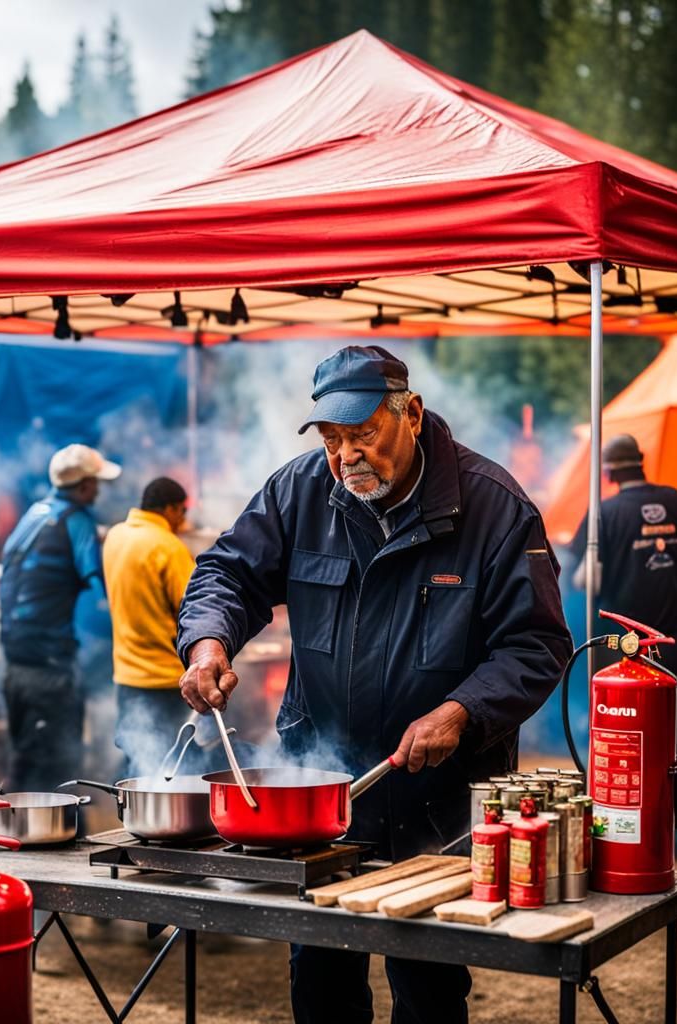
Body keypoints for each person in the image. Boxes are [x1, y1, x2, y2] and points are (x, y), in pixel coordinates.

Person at [177, 346, 571, 1024]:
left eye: (362, 434)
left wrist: (462, 710)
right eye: (332, 439)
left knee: (429, 989)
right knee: (321, 979)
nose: (345, 456)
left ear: (410, 414)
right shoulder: (298, 491)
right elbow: (228, 573)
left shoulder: (495, 507)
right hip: (323, 797)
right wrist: (207, 639)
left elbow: (536, 645)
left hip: (437, 802)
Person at [571, 433, 677, 736]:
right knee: (676, 738)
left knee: (627, 736)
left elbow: (586, 581)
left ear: (608, 472)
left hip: (626, 650)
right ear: (641, 462)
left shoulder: (604, 512)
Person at [0, 443, 120, 790]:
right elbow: (100, 591)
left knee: (25, 753)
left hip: (15, 662)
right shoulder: (78, 520)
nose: (98, 490)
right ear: (83, 486)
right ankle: (66, 834)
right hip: (49, 665)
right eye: (96, 482)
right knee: (61, 764)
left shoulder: (35, 513)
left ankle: (19, 829)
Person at [103, 476, 197, 777]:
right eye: (182, 512)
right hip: (165, 681)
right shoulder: (168, 547)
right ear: (170, 509)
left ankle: (131, 821)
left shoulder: (115, 536)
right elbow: (194, 610)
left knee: (135, 760)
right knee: (171, 769)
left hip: (126, 677)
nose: (183, 520)